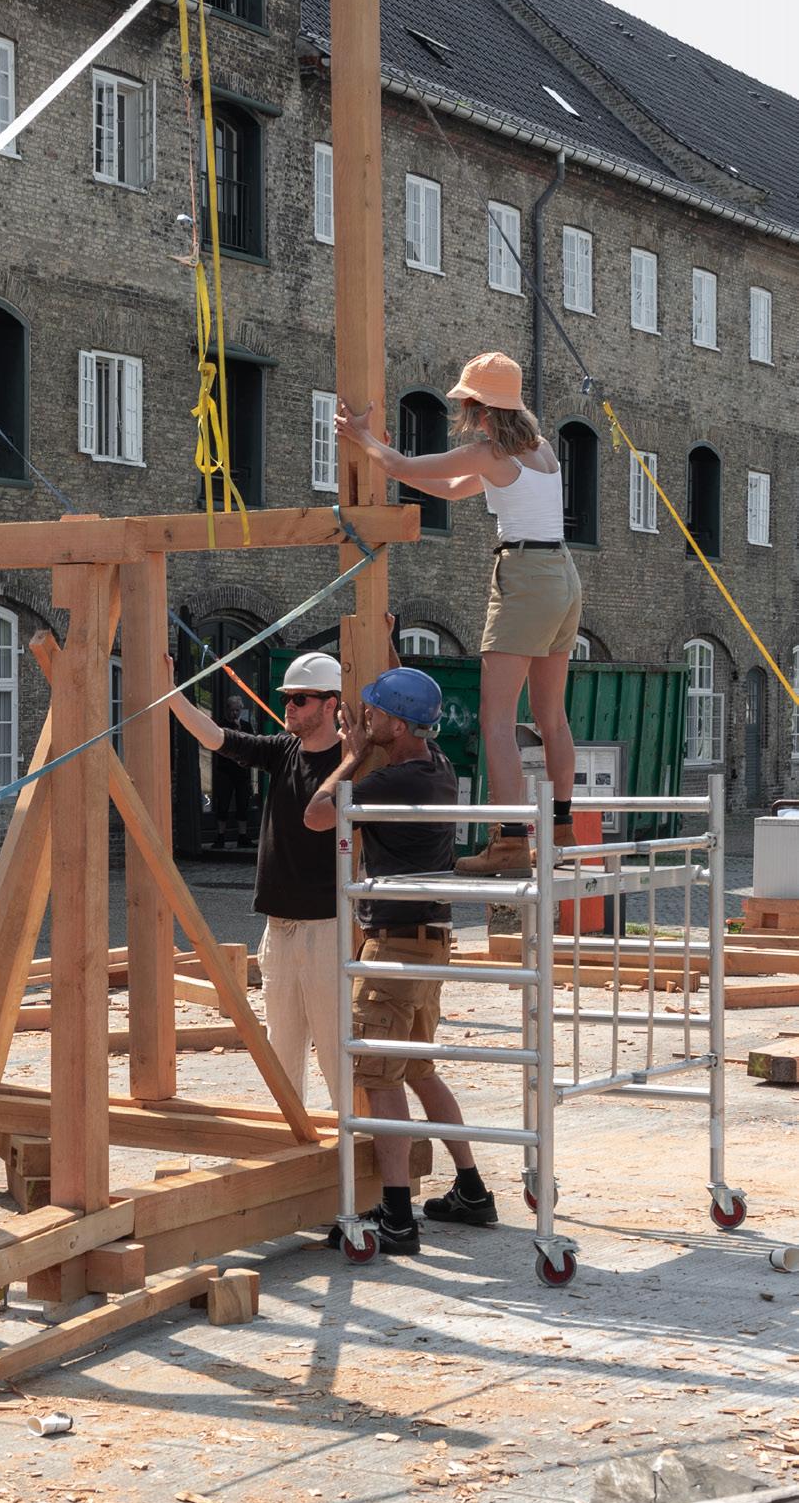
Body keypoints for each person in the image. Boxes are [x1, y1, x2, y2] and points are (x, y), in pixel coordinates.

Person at [336, 352, 581, 877]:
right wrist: (386, 455)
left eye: (468, 405)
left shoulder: (488, 453)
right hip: (563, 574)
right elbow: (449, 487)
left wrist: (364, 438)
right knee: (552, 716)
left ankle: (510, 842)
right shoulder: (540, 451)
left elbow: (404, 468)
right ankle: (560, 830)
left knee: (497, 720)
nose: (465, 414)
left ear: (480, 408)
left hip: (525, 576)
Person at [305, 665, 497, 1253]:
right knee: (417, 1068)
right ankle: (471, 1190)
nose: (366, 720)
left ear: (398, 724)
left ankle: (396, 1216)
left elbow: (318, 813)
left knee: (377, 1074)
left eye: (375, 714)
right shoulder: (437, 765)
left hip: (395, 944)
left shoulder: (395, 779)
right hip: (429, 936)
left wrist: (352, 755)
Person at [172, 652, 346, 1110]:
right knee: (280, 1049)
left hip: (328, 927)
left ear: (330, 705)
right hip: (279, 926)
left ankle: (350, 1137)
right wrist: (171, 694)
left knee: (335, 1047)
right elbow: (215, 737)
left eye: (301, 699)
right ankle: (292, 1133)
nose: (289, 706)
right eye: (287, 697)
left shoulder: (350, 759)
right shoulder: (282, 750)